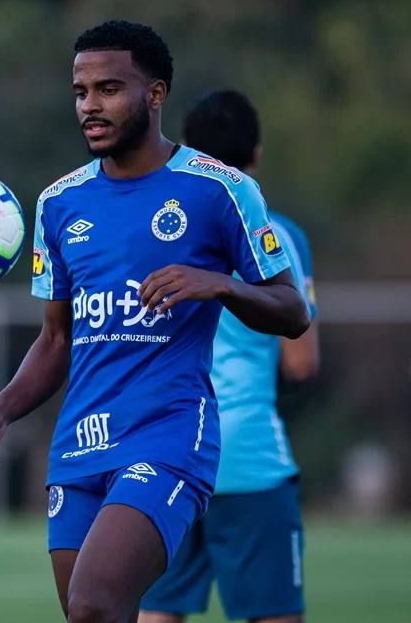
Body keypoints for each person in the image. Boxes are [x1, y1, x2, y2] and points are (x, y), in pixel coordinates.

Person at [0, 20, 311, 623]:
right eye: (80, 92)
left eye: (108, 89)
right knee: (90, 616)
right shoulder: (58, 202)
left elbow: (293, 313)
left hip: (170, 436)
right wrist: (0, 410)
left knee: (96, 605)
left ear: (154, 94)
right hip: (81, 443)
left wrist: (221, 283)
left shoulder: (219, 190)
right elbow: (56, 338)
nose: (90, 106)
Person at [139, 90, 319, 623]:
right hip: (248, 458)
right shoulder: (279, 236)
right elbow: (301, 363)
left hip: (165, 452)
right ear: (256, 154)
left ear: (189, 152)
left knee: (156, 612)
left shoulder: (157, 227)